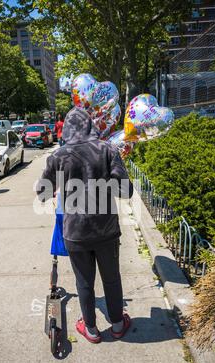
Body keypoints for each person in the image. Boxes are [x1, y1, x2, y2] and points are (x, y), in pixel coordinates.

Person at [37, 107, 133, 344]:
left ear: (67, 128)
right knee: (112, 278)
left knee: (84, 282)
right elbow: (126, 190)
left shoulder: (58, 156)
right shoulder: (108, 149)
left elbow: (42, 192)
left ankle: (90, 329)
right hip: (106, 230)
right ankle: (118, 324)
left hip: (76, 233)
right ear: (90, 125)